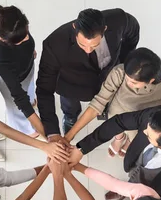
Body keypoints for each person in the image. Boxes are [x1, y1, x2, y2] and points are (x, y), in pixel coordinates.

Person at [68, 106, 161, 200]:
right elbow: (118, 122)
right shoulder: (154, 116)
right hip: (133, 163)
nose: (143, 131)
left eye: (148, 136)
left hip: (151, 192)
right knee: (132, 177)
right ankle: (125, 189)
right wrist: (81, 149)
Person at [36, 8, 140, 139]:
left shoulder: (118, 19)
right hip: (71, 85)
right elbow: (44, 89)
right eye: (82, 44)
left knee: (109, 100)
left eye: (94, 45)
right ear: (75, 28)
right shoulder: (54, 43)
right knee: (70, 107)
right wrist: (52, 132)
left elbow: (133, 31)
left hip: (105, 79)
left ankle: (104, 111)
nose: (88, 50)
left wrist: (125, 61)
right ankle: (70, 119)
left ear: (105, 29)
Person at [64, 47, 161, 157]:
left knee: (135, 142)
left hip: (138, 124)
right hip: (116, 114)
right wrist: (68, 137)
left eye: (134, 82)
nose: (128, 83)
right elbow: (97, 103)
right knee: (114, 127)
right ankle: (119, 138)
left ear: (150, 80)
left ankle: (129, 141)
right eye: (127, 78)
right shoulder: (119, 72)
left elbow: (159, 117)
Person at [0, 5, 43, 138]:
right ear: (3, 39)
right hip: (12, 82)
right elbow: (19, 96)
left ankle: (31, 105)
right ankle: (26, 130)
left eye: (26, 33)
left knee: (30, 89)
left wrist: (30, 51)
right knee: (17, 109)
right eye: (21, 41)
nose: (27, 39)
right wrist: (44, 131)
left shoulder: (16, 25)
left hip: (26, 69)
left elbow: (25, 39)